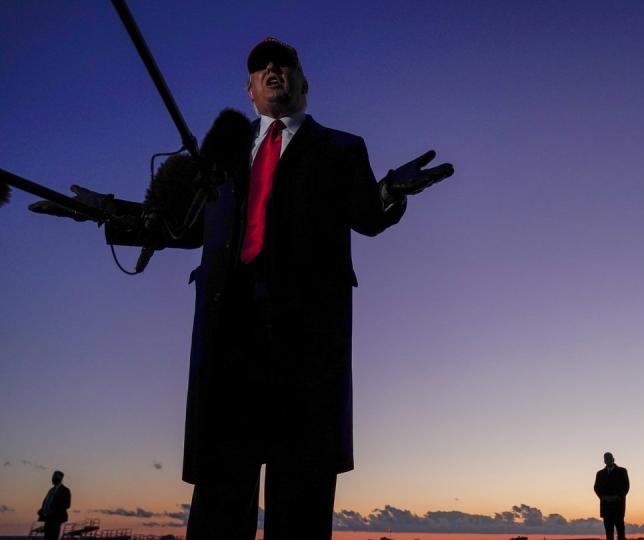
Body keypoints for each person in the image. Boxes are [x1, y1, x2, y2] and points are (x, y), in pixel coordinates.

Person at [31, 37, 453, 540]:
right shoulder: (220, 157)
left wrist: (389, 190)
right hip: (229, 338)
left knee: (300, 493)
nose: (272, 69)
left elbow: (366, 216)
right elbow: (179, 228)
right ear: (250, 89)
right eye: (260, 67)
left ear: (303, 82)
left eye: (284, 64)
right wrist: (102, 210)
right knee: (219, 497)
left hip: (306, 344)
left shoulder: (342, 147)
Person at [594, 452, 630, 540]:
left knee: (620, 531)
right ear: (604, 461)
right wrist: (604, 497)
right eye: (606, 459)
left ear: (613, 459)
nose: (608, 460)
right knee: (608, 533)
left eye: (609, 458)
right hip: (606, 507)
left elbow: (626, 487)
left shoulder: (622, 471)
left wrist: (617, 497)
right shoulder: (600, 473)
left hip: (618, 506)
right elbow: (596, 488)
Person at [36, 470, 71, 540]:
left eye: (54, 477)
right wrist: (42, 510)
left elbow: (67, 504)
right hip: (48, 518)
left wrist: (54, 510)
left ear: (60, 479)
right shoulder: (51, 490)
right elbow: (47, 502)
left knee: (53, 536)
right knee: (47, 537)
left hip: (56, 518)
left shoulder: (65, 490)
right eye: (53, 477)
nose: (52, 479)